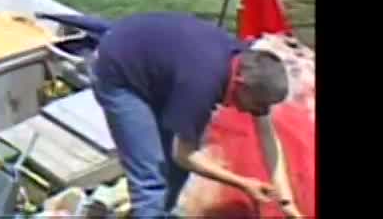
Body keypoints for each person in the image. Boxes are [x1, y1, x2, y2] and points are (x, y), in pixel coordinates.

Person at [90, 12, 302, 218]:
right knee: (151, 179)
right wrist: (244, 184)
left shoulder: (250, 66)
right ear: (240, 84)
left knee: (175, 169)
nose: (257, 111)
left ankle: (160, 213)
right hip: (118, 71)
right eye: (258, 105)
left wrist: (287, 201)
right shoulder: (201, 87)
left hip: (158, 66)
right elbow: (185, 155)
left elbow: (267, 137)